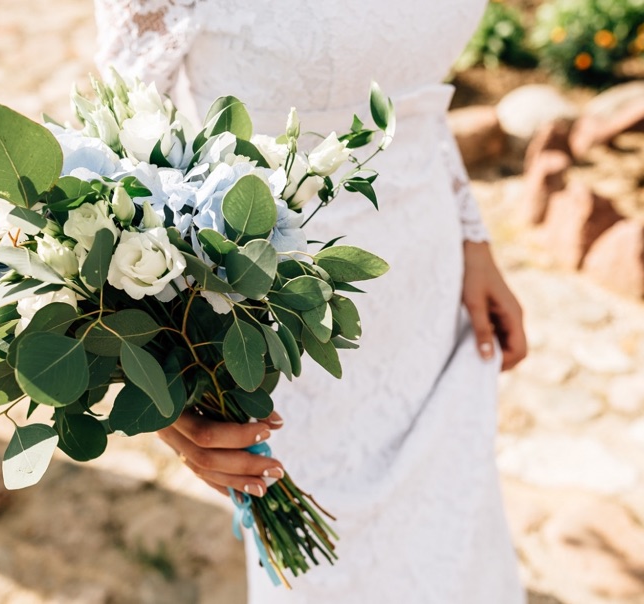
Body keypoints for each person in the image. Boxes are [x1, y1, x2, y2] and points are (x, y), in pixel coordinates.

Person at [93, 1, 528, 601]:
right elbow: (117, 150)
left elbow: (413, 97)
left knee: (454, 545)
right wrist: (158, 375)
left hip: (430, 295)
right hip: (278, 322)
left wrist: (472, 237)